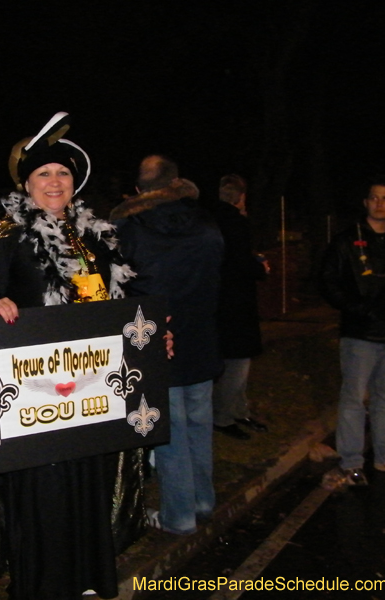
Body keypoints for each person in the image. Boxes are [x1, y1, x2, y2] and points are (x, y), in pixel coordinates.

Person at [0, 112, 139, 600]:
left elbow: (123, 304)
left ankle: (87, 579)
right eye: (44, 174)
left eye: (62, 173)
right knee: (48, 485)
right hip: (35, 394)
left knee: (89, 475)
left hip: (93, 386)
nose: (55, 182)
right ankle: (45, 585)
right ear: (27, 184)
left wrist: (151, 336)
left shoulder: (94, 237)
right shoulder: (9, 233)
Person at [111, 155, 223, 535]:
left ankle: (180, 516)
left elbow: (120, 291)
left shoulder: (126, 229)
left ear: (139, 190)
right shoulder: (208, 222)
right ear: (176, 182)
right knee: (198, 426)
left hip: (155, 343)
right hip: (203, 340)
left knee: (169, 435)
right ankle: (203, 500)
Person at [320, 176, 385, 486]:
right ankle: (351, 462)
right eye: (374, 198)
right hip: (360, 334)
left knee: (384, 399)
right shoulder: (346, 240)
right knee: (353, 399)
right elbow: (328, 282)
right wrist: (358, 309)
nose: (380, 203)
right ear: (366, 202)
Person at [208, 174, 270, 441]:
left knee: (232, 360)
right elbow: (240, 263)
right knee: (238, 362)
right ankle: (223, 415)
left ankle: (238, 410)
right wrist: (261, 268)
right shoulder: (235, 223)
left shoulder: (209, 221)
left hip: (216, 300)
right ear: (241, 197)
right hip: (236, 303)